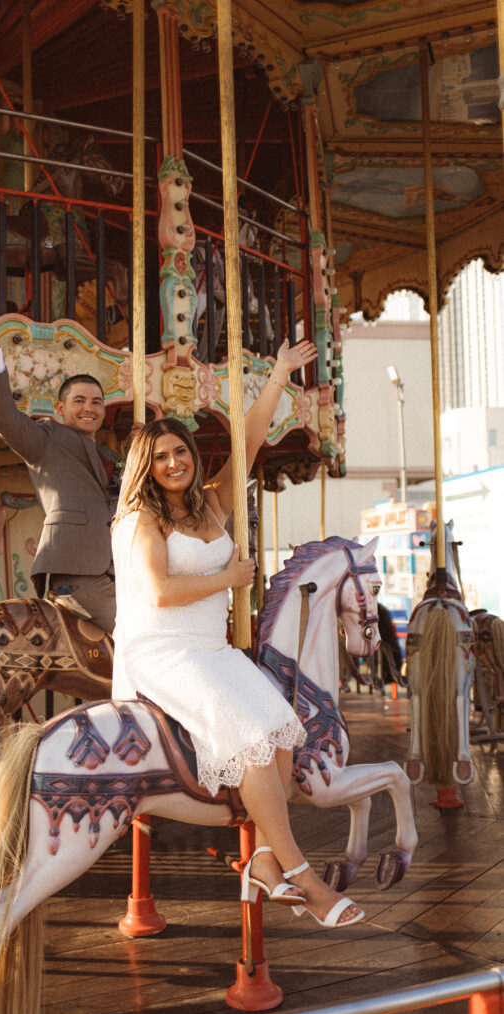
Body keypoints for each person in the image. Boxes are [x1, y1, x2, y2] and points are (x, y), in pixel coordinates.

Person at [112, 340, 364, 928]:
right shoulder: (140, 519)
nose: (174, 462)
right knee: (253, 731)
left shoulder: (207, 505)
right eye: (161, 456)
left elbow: (248, 442)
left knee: (280, 729)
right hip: (160, 649)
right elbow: (160, 593)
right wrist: (230, 576)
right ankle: (302, 874)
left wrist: (277, 375)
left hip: (210, 649)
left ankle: (266, 864)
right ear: (144, 466)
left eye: (180, 452)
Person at [0, 295, 117, 633]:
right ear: (60, 409)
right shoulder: (46, 440)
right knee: (136, 636)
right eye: (79, 401)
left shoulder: (112, 458)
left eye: (97, 402)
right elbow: (4, 418)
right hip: (77, 572)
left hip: (116, 570)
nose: (89, 408)